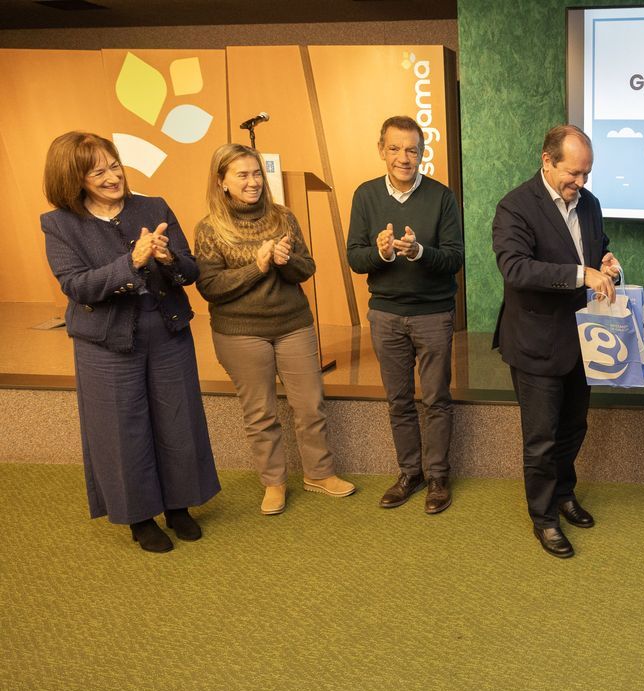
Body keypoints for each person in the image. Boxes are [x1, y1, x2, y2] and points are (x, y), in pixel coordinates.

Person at [41, 131, 220, 553]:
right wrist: (132, 261)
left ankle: (179, 506)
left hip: (166, 331)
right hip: (106, 344)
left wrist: (168, 258)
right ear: (73, 179)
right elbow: (77, 286)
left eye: (114, 164)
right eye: (97, 170)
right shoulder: (60, 224)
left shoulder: (153, 206)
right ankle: (140, 517)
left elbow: (190, 269)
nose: (111, 175)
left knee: (178, 420)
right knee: (122, 430)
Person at [194, 144, 355, 515]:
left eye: (256, 174)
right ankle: (274, 483)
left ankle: (320, 473)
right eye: (242, 175)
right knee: (261, 413)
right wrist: (259, 265)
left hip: (292, 325)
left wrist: (286, 261)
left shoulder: (284, 217)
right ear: (222, 182)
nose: (252, 182)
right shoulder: (209, 228)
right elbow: (211, 287)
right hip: (240, 332)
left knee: (310, 404)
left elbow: (307, 268)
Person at [492, 124, 620, 559]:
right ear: (546, 161)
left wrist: (606, 260)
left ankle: (564, 494)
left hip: (583, 340)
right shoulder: (515, 206)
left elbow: (595, 248)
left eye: (587, 174)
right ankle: (544, 518)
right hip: (535, 342)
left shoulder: (590, 204)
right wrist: (582, 274)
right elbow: (516, 269)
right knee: (541, 438)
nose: (581, 183)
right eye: (574, 174)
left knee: (573, 427)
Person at [347, 116, 464, 514]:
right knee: (398, 400)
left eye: (412, 149)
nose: (404, 157)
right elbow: (354, 258)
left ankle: (437, 477)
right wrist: (380, 252)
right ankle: (409, 473)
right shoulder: (365, 196)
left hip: (433, 314)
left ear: (422, 153)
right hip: (385, 314)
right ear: (382, 150)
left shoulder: (442, 197)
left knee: (436, 399)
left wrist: (419, 253)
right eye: (395, 149)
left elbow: (455, 258)